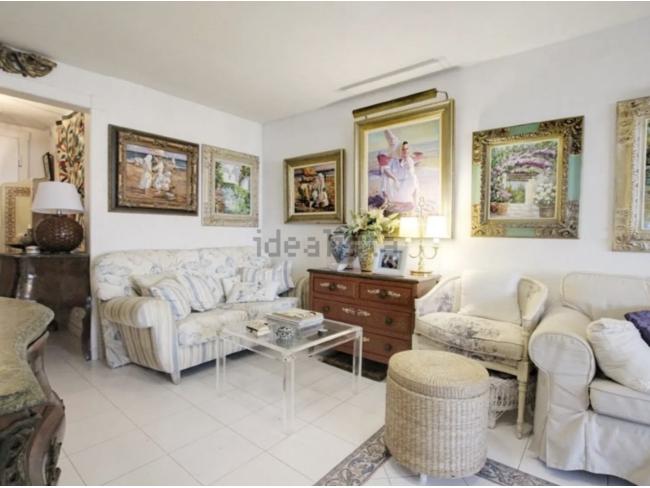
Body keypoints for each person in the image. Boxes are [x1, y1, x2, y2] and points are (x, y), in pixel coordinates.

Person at [384, 129, 420, 210]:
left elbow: (411, 178)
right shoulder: (394, 160)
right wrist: (394, 178)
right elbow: (386, 170)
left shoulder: (409, 160)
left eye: (407, 149)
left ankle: (415, 205)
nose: (405, 151)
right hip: (397, 186)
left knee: (413, 181)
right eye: (403, 149)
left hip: (407, 186)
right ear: (399, 150)